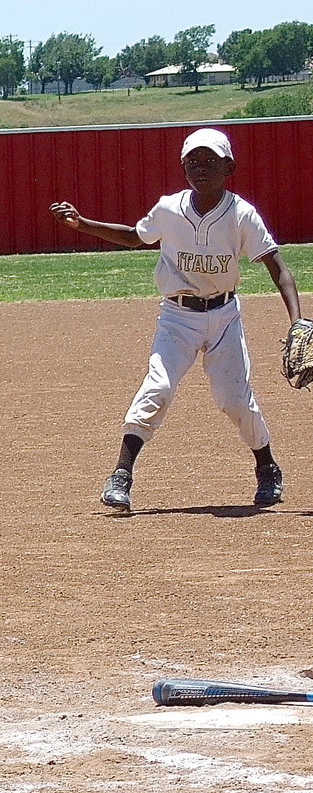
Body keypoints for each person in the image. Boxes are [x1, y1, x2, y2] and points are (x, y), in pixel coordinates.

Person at [49, 127, 302, 512]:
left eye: (210, 160)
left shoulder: (241, 215)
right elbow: (136, 236)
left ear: (229, 167)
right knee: (158, 386)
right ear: (183, 168)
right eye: (192, 161)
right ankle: (121, 474)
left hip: (224, 317)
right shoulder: (169, 209)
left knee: (234, 399)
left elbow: (278, 267)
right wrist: (83, 224)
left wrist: (297, 321)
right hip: (177, 316)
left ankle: (267, 467)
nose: (201, 167)